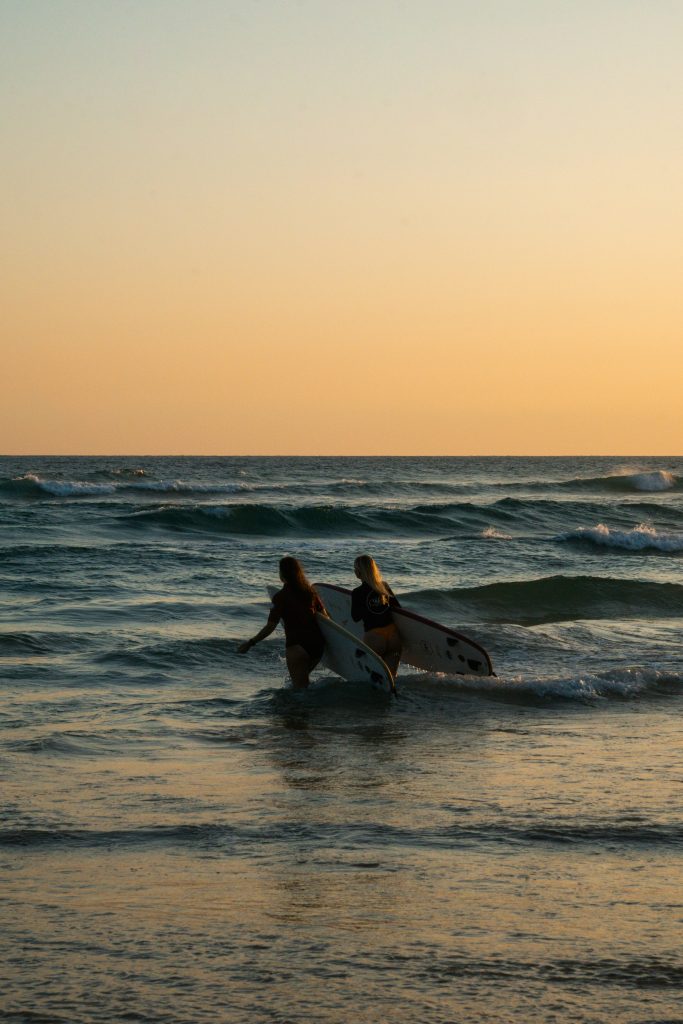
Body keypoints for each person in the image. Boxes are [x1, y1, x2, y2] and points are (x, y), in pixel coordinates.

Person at [238, 556, 326, 689]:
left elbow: (270, 626)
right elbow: (325, 617)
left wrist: (250, 643)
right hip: (317, 645)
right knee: (303, 684)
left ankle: (300, 710)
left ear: (282, 574)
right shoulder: (310, 593)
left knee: (299, 690)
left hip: (297, 646)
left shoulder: (280, 597)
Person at [351, 554, 401, 679]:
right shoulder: (384, 586)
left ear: (359, 572)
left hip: (374, 637)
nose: (354, 571)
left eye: (355, 569)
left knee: (364, 675)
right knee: (390, 679)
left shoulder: (357, 592)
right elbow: (398, 609)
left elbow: (355, 617)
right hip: (394, 636)